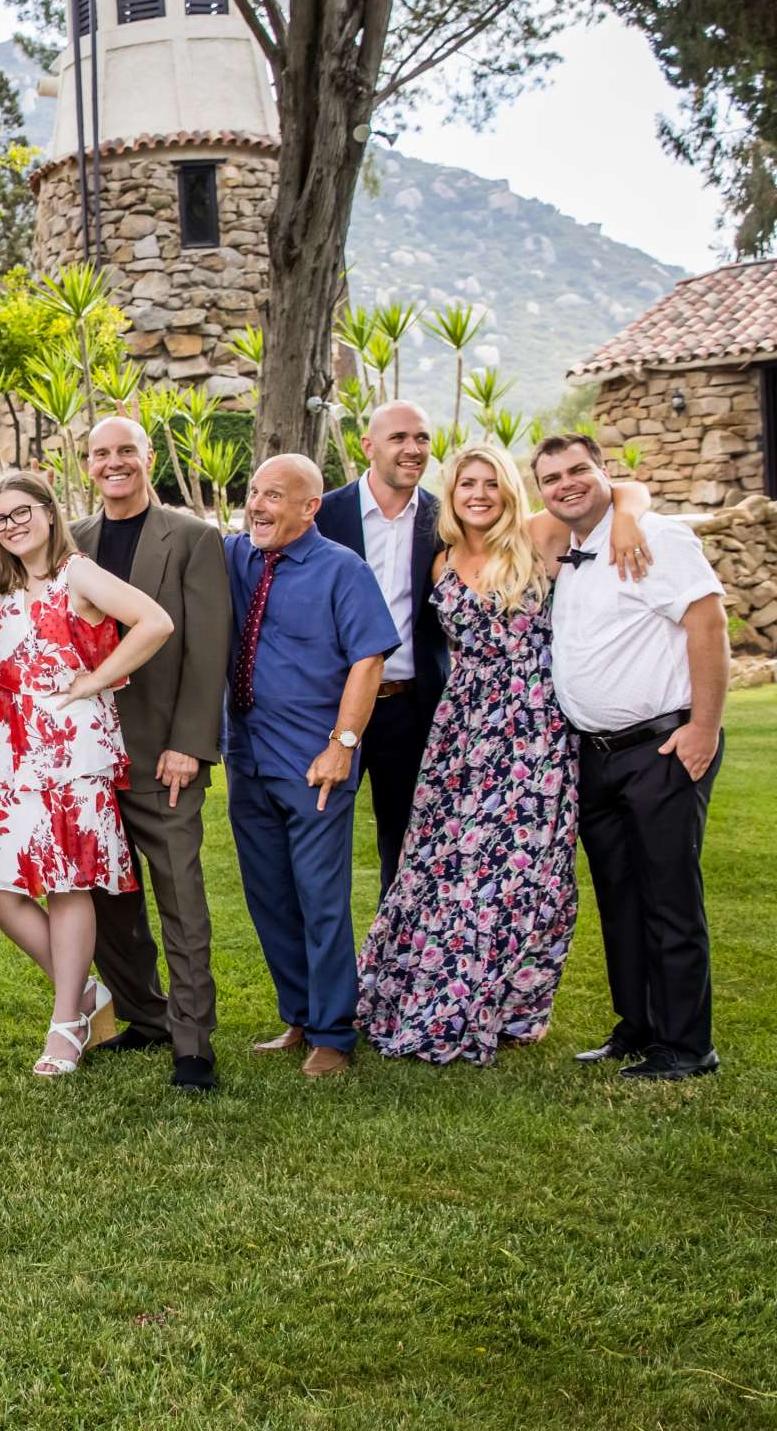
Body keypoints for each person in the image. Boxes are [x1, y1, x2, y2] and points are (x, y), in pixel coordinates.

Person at [356, 442, 652, 1066]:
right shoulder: (439, 562)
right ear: (452, 493)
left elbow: (618, 491)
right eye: (467, 485)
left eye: (491, 483)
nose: (480, 495)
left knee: (524, 872)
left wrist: (626, 514)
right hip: (460, 732)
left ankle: (508, 1004)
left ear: (508, 489)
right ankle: (416, 992)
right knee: (440, 867)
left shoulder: (536, 538)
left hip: (533, 731)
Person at [0, 471, 173, 1076]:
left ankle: (65, 1024)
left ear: (49, 513)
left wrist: (94, 678)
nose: (11, 526)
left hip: (67, 754)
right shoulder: (3, 579)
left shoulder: (75, 574)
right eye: (0, 518)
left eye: (21, 512)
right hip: (9, 752)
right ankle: (84, 992)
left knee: (65, 882)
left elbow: (154, 622)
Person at [535, 432, 729, 1081]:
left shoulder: (657, 537)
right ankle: (638, 1027)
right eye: (552, 477)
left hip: (663, 745)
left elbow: (708, 624)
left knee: (669, 896)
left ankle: (686, 1045)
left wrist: (704, 727)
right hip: (598, 756)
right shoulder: (576, 549)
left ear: (603, 472)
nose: (566, 484)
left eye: (578, 470)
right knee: (620, 897)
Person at [223, 454, 398, 1079]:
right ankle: (297, 1015)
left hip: (314, 762)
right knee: (269, 896)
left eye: (275, 495)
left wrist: (343, 744)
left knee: (321, 899)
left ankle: (333, 1032)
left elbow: (370, 660)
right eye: (253, 492)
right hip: (247, 757)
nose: (259, 505)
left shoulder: (342, 570)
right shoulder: (236, 556)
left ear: (309, 507)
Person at [72, 416, 231, 1091]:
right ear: (87, 466)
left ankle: (193, 1043)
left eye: (126, 451)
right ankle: (144, 1015)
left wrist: (188, 744)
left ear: (147, 460)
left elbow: (207, 645)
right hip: (84, 756)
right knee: (105, 901)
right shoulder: (71, 541)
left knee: (180, 899)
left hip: (160, 752)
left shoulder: (192, 538)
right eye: (102, 454)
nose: (115, 463)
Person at [313, 402, 445, 893]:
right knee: (321, 834)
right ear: (368, 446)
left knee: (408, 845)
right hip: (332, 705)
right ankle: (328, 963)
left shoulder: (443, 516)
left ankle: (399, 959)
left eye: (423, 438)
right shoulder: (324, 513)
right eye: (399, 438)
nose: (413, 449)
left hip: (411, 707)